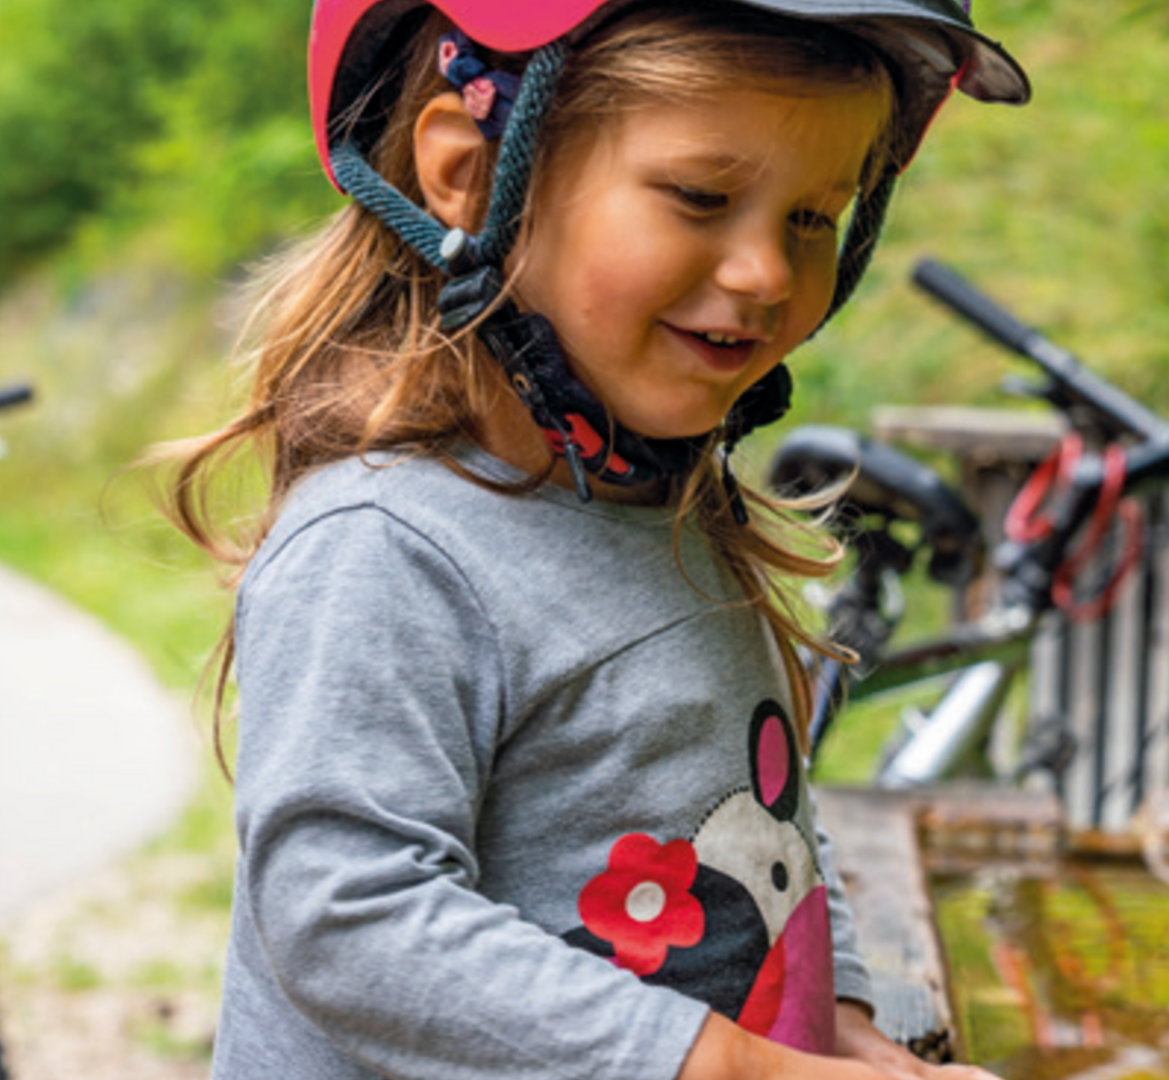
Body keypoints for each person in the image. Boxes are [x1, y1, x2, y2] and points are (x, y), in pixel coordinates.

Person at [159, 1, 1029, 1077]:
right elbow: (346, 918)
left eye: (812, 218)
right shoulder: (386, 546)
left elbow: (771, 823)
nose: (764, 271)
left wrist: (839, 1015)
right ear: (469, 175)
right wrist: (729, 1066)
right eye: (702, 197)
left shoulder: (669, 510)